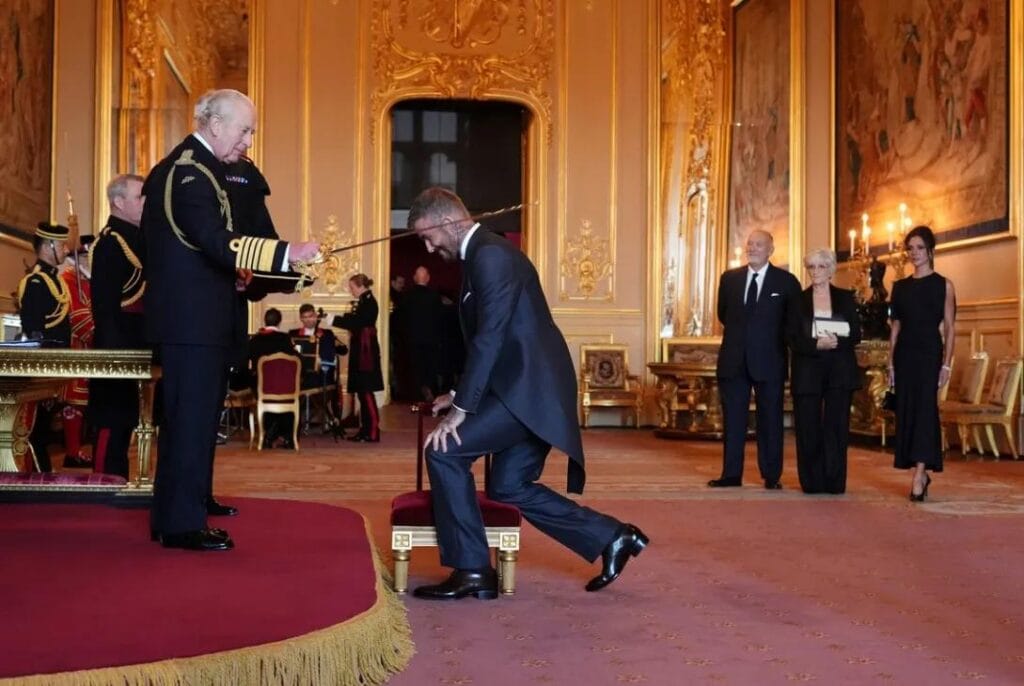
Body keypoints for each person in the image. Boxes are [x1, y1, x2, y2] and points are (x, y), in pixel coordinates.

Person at [407, 187, 646, 600]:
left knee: (444, 451)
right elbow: (498, 339)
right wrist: (457, 391)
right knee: (508, 485)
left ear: (447, 222)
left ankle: (472, 570)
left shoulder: (491, 255)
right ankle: (612, 537)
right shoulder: (482, 255)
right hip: (526, 387)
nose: (429, 248)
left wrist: (462, 408)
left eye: (429, 237)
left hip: (528, 392)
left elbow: (491, 338)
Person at [143, 88, 319, 551]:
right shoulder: (189, 172)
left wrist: (284, 270)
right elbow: (215, 239)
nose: (248, 141)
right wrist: (287, 253)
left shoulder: (202, 169)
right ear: (215, 124)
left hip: (200, 321)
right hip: (191, 324)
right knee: (190, 423)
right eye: (245, 131)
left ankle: (177, 515)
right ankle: (181, 525)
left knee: (196, 422)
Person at [711, 229, 801, 489]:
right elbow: (724, 315)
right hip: (734, 361)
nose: (752, 248)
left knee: (770, 420)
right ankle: (731, 475)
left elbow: (792, 322)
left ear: (770, 250)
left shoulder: (786, 282)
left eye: (759, 244)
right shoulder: (730, 279)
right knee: (733, 420)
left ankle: (771, 476)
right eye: (750, 244)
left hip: (770, 361)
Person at [888, 226, 956, 501]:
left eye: (919, 248)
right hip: (905, 356)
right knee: (908, 411)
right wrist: (890, 364)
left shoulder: (944, 285)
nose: (914, 253)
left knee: (926, 411)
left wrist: (947, 364)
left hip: (930, 355)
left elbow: (950, 327)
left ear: (930, 250)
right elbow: (895, 329)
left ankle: (919, 473)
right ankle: (920, 470)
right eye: (910, 248)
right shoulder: (899, 287)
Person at [788, 248, 862, 494]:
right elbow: (790, 336)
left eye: (821, 266)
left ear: (831, 269)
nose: (816, 271)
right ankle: (812, 482)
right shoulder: (797, 300)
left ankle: (834, 481)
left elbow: (856, 333)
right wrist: (816, 344)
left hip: (839, 370)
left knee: (836, 427)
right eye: (811, 266)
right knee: (807, 426)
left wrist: (836, 341)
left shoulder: (845, 298)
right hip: (807, 369)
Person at [89, 174, 147, 479]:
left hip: (139, 343)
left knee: (129, 421)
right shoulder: (110, 243)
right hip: (117, 347)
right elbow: (105, 306)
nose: (145, 203)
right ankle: (104, 483)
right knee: (113, 421)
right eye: (139, 197)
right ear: (119, 202)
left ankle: (120, 480)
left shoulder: (139, 239)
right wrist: (113, 356)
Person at [17, 222, 72, 472]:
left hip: (54, 369)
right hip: (41, 370)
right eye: (62, 245)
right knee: (34, 432)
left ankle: (42, 476)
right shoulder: (36, 282)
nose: (66, 249)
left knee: (43, 432)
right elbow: (34, 332)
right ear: (48, 246)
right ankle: (35, 478)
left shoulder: (54, 281)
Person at [327, 274, 383, 442]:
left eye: (352, 287)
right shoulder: (364, 301)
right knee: (362, 391)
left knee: (365, 391)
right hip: (362, 351)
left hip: (366, 354)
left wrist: (335, 319)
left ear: (360, 286)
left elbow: (357, 322)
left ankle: (372, 431)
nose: (350, 290)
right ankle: (365, 430)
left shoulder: (369, 302)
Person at [59, 236, 95, 469]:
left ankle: (77, 450)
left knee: (84, 402)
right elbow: (77, 316)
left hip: (91, 350)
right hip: (75, 347)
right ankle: (71, 452)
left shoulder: (90, 281)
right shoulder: (68, 279)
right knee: (74, 401)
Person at [249, 308, 302, 449]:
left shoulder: (255, 340)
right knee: (296, 394)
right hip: (285, 389)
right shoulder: (285, 339)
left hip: (262, 388)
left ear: (265, 321)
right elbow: (298, 359)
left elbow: (247, 364)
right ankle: (288, 437)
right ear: (279, 322)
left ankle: (268, 435)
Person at [403, 265, 443, 401]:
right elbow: (439, 319)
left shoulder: (407, 296)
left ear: (415, 278)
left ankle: (416, 398)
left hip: (412, 339)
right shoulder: (435, 296)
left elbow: (402, 319)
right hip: (431, 339)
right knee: (430, 368)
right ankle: (430, 393)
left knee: (415, 369)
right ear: (428, 278)